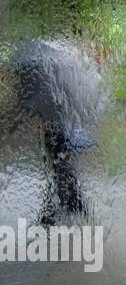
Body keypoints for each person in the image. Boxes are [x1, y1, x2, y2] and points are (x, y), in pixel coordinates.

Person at [10, 39, 102, 224]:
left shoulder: (35, 76)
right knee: (63, 171)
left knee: (62, 172)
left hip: (57, 130)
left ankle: (61, 217)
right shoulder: (56, 74)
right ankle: (61, 215)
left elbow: (32, 104)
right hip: (62, 127)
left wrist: (23, 108)